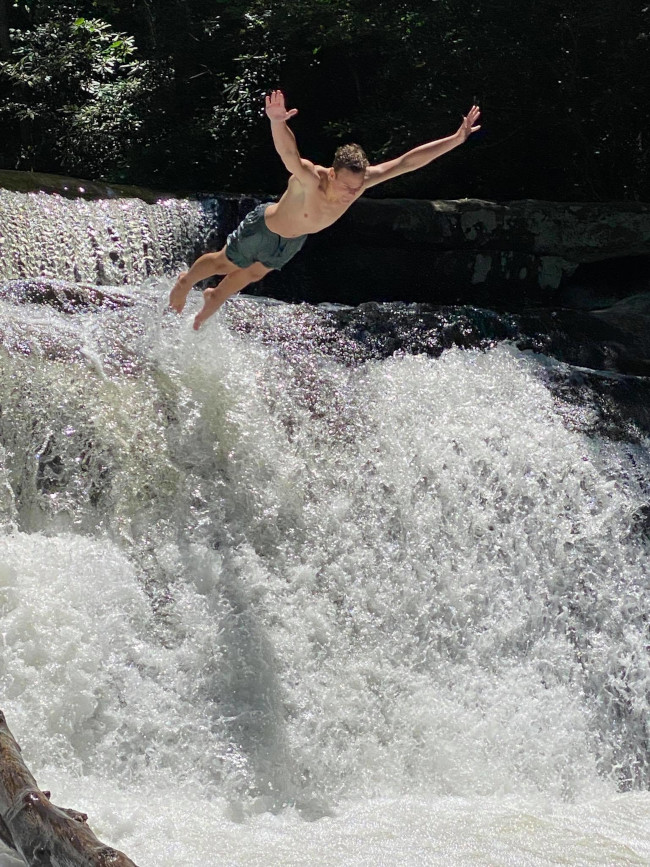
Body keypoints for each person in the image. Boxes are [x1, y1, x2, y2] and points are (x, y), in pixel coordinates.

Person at [169, 91, 481, 330]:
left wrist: (455, 140)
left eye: (357, 187)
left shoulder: (361, 180)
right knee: (225, 262)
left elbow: (406, 162)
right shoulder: (310, 179)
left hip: (293, 240)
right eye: (346, 186)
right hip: (265, 227)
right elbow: (290, 155)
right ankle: (186, 282)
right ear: (332, 174)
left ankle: (215, 297)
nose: (351, 193)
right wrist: (277, 122)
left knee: (254, 272)